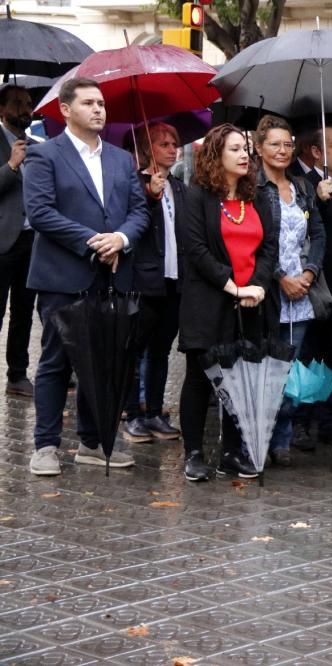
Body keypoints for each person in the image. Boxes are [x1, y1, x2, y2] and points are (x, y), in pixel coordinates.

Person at [22, 77, 150, 476]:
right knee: (57, 361)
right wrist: (94, 240)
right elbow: (40, 213)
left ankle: (92, 443)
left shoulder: (119, 158)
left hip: (111, 277)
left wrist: (121, 238)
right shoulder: (45, 156)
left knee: (103, 361)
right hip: (63, 276)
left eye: (101, 104)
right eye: (89, 103)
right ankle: (45, 445)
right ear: (65, 109)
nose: (99, 109)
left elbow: (139, 211)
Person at [177, 124, 277, 482]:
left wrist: (259, 286)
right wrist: (232, 286)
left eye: (246, 149)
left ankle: (232, 452)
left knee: (240, 380)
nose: (244, 155)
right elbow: (196, 250)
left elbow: (269, 247)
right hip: (209, 301)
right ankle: (194, 453)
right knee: (201, 378)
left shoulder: (258, 197)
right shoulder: (196, 196)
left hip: (251, 303)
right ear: (216, 155)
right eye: (235, 149)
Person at [255, 115, 325, 466]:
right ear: (259, 147)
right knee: (267, 370)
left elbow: (319, 235)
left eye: (287, 144)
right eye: (274, 144)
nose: (282, 150)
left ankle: (281, 439)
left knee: (292, 371)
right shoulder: (252, 188)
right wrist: (280, 276)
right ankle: (260, 439)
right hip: (268, 291)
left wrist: (309, 273)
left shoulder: (303, 187)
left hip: (302, 292)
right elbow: (254, 243)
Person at [122, 122, 186, 443]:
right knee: (133, 349)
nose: (172, 149)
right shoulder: (135, 184)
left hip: (174, 282)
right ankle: (133, 414)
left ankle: (154, 413)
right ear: (148, 148)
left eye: (174, 143)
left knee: (161, 350)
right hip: (144, 281)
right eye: (164, 144)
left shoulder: (179, 186)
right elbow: (131, 223)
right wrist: (149, 196)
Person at [295, 125, 332, 448]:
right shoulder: (306, 185)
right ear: (316, 152)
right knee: (309, 354)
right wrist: (323, 201)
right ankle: (303, 419)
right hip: (317, 284)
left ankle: (329, 419)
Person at [0, 85, 39, 397]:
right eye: (17, 104)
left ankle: (17, 374)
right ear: (2, 110)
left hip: (32, 241)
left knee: (24, 312)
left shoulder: (38, 146)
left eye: (27, 104)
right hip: (2, 242)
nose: (25, 109)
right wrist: (11, 165)